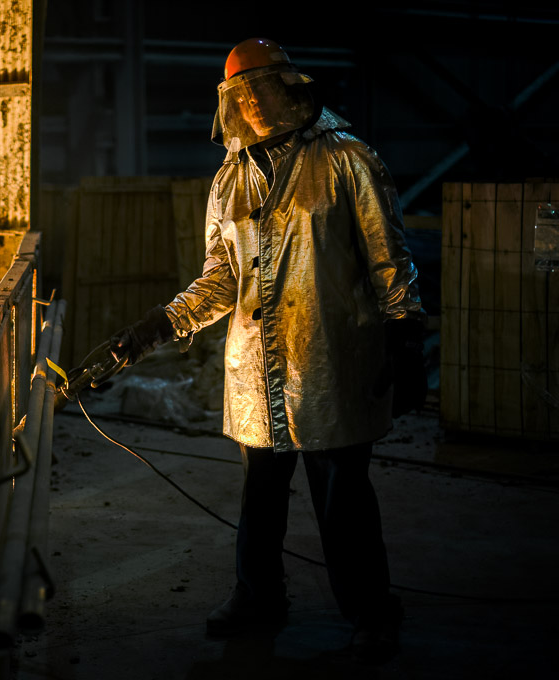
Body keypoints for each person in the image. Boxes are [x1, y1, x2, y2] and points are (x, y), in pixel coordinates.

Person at [108, 37, 427, 665]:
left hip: (331, 358)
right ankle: (258, 595)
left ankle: (370, 611)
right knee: (260, 494)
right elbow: (222, 277)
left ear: (288, 87)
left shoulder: (347, 160)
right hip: (256, 365)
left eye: (260, 88)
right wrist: (158, 326)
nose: (251, 104)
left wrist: (405, 334)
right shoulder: (230, 178)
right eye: (239, 94)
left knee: (343, 496)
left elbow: (388, 258)